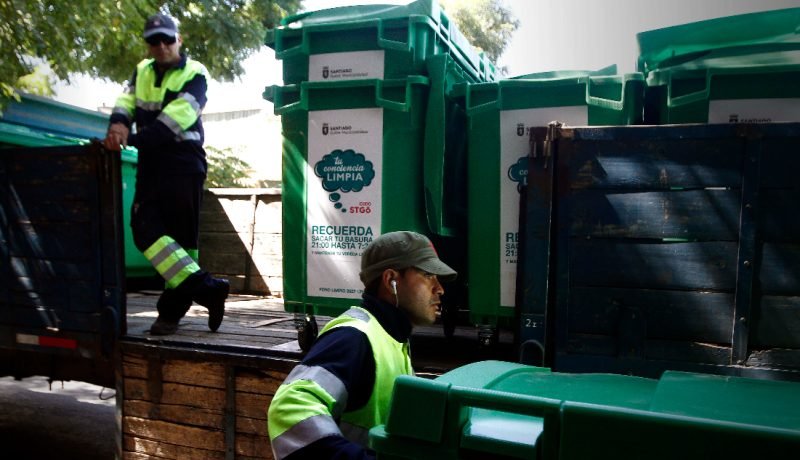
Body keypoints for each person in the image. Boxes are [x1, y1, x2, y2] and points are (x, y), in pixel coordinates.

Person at [267, 231, 457, 460]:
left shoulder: (392, 336)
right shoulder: (353, 337)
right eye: (428, 275)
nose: (439, 288)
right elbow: (289, 409)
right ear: (391, 280)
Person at [103, 13, 228, 335]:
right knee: (144, 228)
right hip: (151, 163)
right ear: (148, 45)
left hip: (183, 162)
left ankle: (171, 313)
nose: (161, 46)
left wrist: (129, 139)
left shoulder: (195, 73)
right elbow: (126, 100)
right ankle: (209, 289)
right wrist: (117, 124)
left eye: (167, 39)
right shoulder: (142, 70)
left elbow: (176, 119)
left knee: (183, 241)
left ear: (178, 40)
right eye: (153, 41)